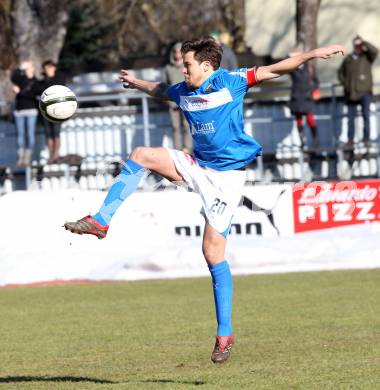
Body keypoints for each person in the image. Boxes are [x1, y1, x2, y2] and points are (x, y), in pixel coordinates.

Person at [64, 37, 345, 364]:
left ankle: (224, 333)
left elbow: (277, 68)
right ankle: (101, 220)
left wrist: (312, 54)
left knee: (211, 252)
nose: (182, 69)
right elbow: (160, 90)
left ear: (207, 66)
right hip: (196, 164)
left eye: (187, 64)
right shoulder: (184, 89)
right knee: (140, 154)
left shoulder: (231, 81)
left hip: (226, 178)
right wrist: (135, 82)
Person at [338, 36, 378, 147]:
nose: (358, 47)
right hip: (351, 93)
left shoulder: (367, 57)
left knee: (366, 116)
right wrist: (345, 84)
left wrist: (364, 42)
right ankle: (350, 140)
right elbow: (340, 72)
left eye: (359, 45)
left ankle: (366, 139)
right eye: (356, 45)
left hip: (365, 92)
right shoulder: (348, 59)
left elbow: (375, 51)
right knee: (350, 119)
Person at [289, 48, 321, 149]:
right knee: (299, 120)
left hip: (307, 97)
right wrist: (289, 55)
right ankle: (302, 141)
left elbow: (316, 81)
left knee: (310, 119)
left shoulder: (310, 67)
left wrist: (315, 90)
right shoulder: (293, 67)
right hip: (297, 97)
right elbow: (282, 63)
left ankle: (315, 140)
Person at [11, 60, 40, 166]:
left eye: (29, 67)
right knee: (20, 135)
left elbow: (35, 95)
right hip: (19, 111)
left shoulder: (36, 81)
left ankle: (28, 156)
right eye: (25, 68)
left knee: (30, 134)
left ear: (32, 68)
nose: (27, 70)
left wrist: (20, 93)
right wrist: (20, 67)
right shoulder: (21, 80)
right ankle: (20, 156)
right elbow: (13, 76)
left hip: (31, 110)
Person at [164, 42, 192, 151]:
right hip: (172, 103)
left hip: (186, 101)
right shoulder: (168, 68)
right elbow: (165, 84)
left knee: (186, 126)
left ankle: (187, 149)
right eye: (175, 52)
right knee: (175, 128)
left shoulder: (187, 66)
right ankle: (177, 150)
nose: (177, 54)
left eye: (179, 52)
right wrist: (168, 100)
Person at [40, 60, 66, 163]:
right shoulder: (43, 80)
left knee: (56, 133)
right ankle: (51, 155)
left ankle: (56, 155)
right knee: (48, 134)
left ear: (54, 68)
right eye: (46, 68)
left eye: (50, 68)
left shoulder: (60, 77)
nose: (48, 70)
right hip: (46, 111)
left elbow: (58, 88)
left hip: (58, 110)